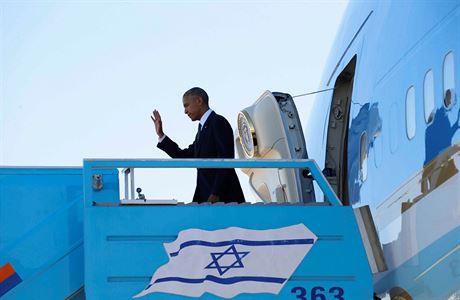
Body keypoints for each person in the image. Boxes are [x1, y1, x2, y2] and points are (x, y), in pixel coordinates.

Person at [151, 87, 245, 204]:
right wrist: (161, 135)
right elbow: (183, 156)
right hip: (206, 198)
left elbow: (225, 159)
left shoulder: (218, 122)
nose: (185, 111)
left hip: (223, 200)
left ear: (199, 101)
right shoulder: (202, 130)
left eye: (186, 105)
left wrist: (216, 193)